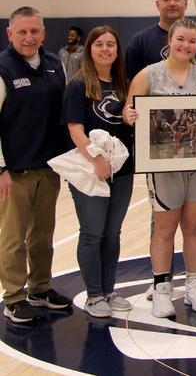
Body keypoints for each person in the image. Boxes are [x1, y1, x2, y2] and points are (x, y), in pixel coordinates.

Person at [124, 18, 196, 318]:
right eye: (181, 39)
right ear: (169, 41)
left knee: (195, 226)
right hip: (163, 163)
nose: (186, 45)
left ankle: (194, 284)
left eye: (192, 41)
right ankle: (161, 289)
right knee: (165, 228)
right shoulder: (149, 75)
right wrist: (130, 116)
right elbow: (128, 111)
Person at [0, 6, 72, 323]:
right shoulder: (2, 68)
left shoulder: (56, 66)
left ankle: (40, 289)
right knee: (13, 239)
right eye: (23, 31)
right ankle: (14, 296)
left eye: (35, 31)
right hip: (14, 172)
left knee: (42, 235)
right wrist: (1, 169)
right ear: (10, 33)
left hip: (49, 167)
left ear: (43, 33)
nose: (29, 37)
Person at [63, 26, 134, 318]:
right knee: (92, 233)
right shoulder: (78, 86)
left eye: (111, 45)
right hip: (91, 170)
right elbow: (75, 130)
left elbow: (131, 122)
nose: (105, 49)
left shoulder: (123, 84)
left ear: (117, 51)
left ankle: (109, 289)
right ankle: (93, 295)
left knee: (112, 234)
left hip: (123, 170)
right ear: (90, 49)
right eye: (99, 45)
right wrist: (96, 160)